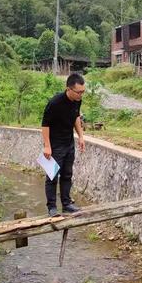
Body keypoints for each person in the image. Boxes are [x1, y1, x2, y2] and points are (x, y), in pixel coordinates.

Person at [41, 73, 86, 216]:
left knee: (67, 175)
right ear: (69, 89)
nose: (81, 95)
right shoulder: (55, 103)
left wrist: (81, 136)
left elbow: (76, 117)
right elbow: (45, 125)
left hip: (68, 142)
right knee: (52, 176)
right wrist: (47, 146)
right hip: (55, 145)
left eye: (83, 92)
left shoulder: (77, 101)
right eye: (79, 92)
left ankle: (66, 204)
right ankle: (52, 207)